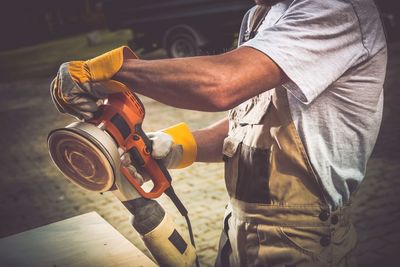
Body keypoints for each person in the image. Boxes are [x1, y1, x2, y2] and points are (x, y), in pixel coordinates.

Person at [50, 0, 387, 266]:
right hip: (241, 227)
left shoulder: (338, 9)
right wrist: (174, 146)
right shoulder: (260, 16)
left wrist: (115, 70)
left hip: (302, 240)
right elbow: (252, 126)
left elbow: (222, 84)